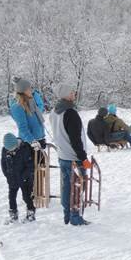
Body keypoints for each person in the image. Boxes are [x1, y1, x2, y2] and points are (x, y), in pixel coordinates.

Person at [48, 82, 92, 226]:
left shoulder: (54, 112)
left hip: (62, 155)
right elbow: (75, 139)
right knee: (78, 187)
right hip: (74, 157)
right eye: (71, 92)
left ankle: (67, 214)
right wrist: (83, 158)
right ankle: (75, 217)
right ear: (65, 95)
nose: (74, 94)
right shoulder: (70, 113)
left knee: (67, 187)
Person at [0, 132, 35, 223]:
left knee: (27, 197)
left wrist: (24, 176)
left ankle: (30, 213)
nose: (11, 151)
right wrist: (7, 175)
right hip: (12, 178)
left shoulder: (25, 149)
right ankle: (13, 214)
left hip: (25, 179)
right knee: (11, 197)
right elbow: (3, 164)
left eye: (12, 149)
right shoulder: (5, 150)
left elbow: (30, 166)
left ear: (16, 144)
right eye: (9, 150)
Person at [9, 77, 46, 148]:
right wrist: (32, 141)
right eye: (29, 88)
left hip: (39, 140)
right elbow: (22, 127)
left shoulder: (31, 102)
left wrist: (41, 137)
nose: (31, 90)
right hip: (29, 143)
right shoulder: (17, 106)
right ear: (23, 90)